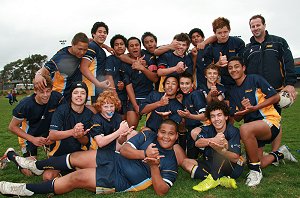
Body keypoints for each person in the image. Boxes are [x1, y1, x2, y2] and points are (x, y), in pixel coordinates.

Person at [0, 119, 179, 196]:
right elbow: (124, 150)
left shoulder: (171, 161)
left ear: (177, 136)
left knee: (77, 178)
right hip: (115, 158)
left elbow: (161, 191)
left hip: (121, 179)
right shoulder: (148, 136)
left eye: (171, 134)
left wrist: (154, 166)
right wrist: (144, 154)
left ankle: (24, 189)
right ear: (158, 131)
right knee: (78, 157)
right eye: (163, 132)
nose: (165, 136)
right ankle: (37, 165)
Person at [227, 56, 297, 187]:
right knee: (261, 162)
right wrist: (243, 108)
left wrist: (254, 107)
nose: (233, 70)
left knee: (244, 129)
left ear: (243, 68)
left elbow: (276, 97)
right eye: (230, 68)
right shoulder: (233, 91)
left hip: (269, 121)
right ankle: (280, 153)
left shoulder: (254, 79)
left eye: (236, 66)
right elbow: (237, 118)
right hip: (254, 129)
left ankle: (255, 172)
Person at [242, 14, 297, 152]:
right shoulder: (247, 49)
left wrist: (290, 83)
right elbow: (244, 70)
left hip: (276, 91)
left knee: (276, 120)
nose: (255, 28)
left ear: (264, 25)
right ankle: (258, 151)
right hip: (255, 94)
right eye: (252, 26)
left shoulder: (279, 42)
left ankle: (276, 152)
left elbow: (288, 63)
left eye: (258, 25)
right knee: (255, 121)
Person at [6, 75, 65, 176]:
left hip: (48, 136)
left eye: (48, 91)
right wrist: (33, 139)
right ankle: (11, 154)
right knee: (31, 172)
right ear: (35, 91)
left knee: (58, 162)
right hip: (29, 137)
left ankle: (47, 149)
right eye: (42, 92)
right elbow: (12, 127)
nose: (46, 95)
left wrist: (54, 135)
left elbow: (63, 118)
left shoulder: (57, 97)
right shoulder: (25, 104)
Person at [181, 101, 243, 192]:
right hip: (211, 162)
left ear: (226, 117)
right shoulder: (208, 129)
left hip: (231, 167)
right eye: (213, 116)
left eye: (219, 115)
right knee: (185, 163)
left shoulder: (233, 131)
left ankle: (213, 178)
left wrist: (220, 149)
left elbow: (235, 158)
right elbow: (197, 143)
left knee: (222, 143)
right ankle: (221, 180)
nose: (216, 119)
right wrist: (213, 140)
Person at [43, 81, 94, 180]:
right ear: (71, 95)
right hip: (60, 154)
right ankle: (66, 173)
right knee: (48, 177)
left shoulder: (89, 114)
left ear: (86, 96)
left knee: (91, 176)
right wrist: (73, 132)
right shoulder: (61, 110)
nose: (79, 96)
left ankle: (68, 174)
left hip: (78, 155)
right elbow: (52, 135)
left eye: (82, 93)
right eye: (76, 92)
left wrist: (80, 136)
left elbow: (86, 141)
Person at [34, 32, 89, 101]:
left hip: (73, 96)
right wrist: (38, 75)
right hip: (59, 96)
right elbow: (45, 69)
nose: (82, 52)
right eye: (80, 49)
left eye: (85, 50)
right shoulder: (61, 57)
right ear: (72, 44)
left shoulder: (80, 53)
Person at [123, 37, 158, 128]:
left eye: (137, 45)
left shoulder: (149, 57)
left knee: (152, 127)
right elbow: (128, 86)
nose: (135, 47)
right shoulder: (125, 63)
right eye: (131, 46)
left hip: (150, 97)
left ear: (140, 46)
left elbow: (155, 79)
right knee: (131, 127)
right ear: (127, 49)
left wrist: (142, 68)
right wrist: (135, 106)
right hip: (135, 98)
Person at [204, 17, 245, 89]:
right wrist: (217, 64)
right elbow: (208, 70)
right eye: (219, 33)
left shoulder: (238, 43)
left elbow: (243, 63)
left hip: (238, 82)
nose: (223, 35)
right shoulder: (209, 49)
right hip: (220, 84)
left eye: (225, 32)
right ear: (215, 33)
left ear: (229, 30)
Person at [80, 22, 113, 104]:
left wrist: (106, 46)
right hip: (90, 90)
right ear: (93, 34)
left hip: (97, 90)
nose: (102, 34)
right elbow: (83, 67)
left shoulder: (98, 47)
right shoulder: (92, 46)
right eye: (100, 32)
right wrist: (98, 83)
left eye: (105, 33)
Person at [177, 72, 207, 159]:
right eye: (182, 83)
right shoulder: (182, 96)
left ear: (192, 84)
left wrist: (190, 116)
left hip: (199, 128)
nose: (184, 86)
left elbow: (204, 116)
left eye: (187, 83)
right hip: (187, 129)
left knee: (191, 157)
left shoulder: (196, 94)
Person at [104, 34, 128, 120]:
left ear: (125, 47)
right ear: (113, 47)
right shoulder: (110, 59)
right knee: (113, 120)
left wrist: (123, 84)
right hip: (113, 97)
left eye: (121, 44)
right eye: (116, 44)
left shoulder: (128, 59)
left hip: (125, 97)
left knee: (124, 120)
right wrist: (115, 96)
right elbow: (108, 76)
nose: (119, 46)